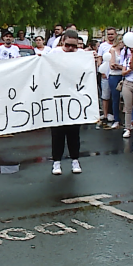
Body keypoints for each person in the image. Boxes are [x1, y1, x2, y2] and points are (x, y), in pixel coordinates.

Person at [46, 30, 85, 175]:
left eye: (74, 46)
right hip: (57, 97)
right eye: (67, 45)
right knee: (57, 133)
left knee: (74, 132)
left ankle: (75, 160)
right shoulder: (54, 53)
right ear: (62, 41)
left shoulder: (81, 54)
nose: (70, 48)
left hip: (74, 97)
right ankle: (56, 162)